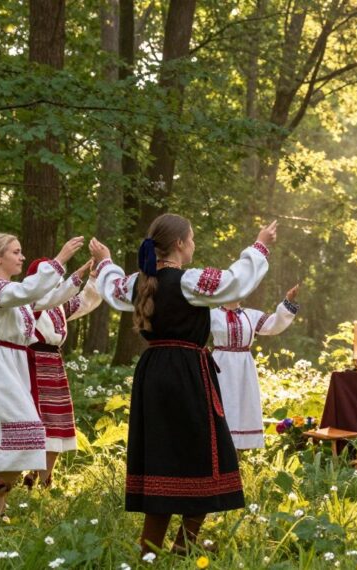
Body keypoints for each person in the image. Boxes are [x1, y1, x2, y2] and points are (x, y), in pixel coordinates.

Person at [89, 214, 276, 554]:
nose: (193, 244)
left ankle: (153, 549)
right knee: (208, 453)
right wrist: (260, 245)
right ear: (178, 244)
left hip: (153, 372)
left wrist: (105, 264)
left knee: (160, 454)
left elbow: (111, 286)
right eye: (190, 238)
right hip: (187, 373)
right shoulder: (189, 281)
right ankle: (181, 544)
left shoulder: (138, 282)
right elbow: (236, 281)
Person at [0, 233, 84, 516]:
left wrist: (79, 274)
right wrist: (60, 259)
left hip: (14, 365)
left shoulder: (12, 293)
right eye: (16, 252)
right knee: (29, 435)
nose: (22, 257)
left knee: (27, 437)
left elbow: (49, 297)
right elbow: (29, 291)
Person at [23, 257, 102, 489]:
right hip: (33, 363)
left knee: (57, 422)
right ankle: (28, 474)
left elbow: (85, 301)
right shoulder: (30, 300)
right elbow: (44, 301)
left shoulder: (59, 305)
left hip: (54, 364)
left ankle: (44, 479)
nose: (56, 281)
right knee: (37, 420)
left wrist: (94, 279)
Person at [211, 285, 300, 452]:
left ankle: (239, 458)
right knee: (224, 402)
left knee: (243, 403)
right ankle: (221, 451)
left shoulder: (250, 315)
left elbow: (273, 324)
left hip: (244, 366)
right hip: (221, 366)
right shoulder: (212, 315)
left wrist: (287, 301)